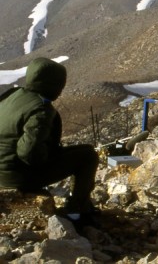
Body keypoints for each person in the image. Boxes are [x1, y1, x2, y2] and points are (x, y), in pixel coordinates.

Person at [0, 58, 99, 223]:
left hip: (3, 170)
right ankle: (77, 212)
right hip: (16, 177)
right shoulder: (40, 109)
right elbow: (29, 154)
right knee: (88, 157)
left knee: (84, 150)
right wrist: (49, 157)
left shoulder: (13, 95)